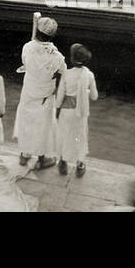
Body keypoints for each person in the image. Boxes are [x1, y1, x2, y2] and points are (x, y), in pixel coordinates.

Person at [15, 15, 65, 169]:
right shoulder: (57, 57)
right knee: (43, 127)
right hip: (45, 95)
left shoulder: (27, 47)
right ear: (53, 35)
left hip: (29, 90)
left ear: (37, 31)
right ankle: (41, 158)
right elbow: (63, 73)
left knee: (26, 123)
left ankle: (24, 155)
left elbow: (26, 62)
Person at [54, 42, 97, 177]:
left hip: (66, 111)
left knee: (64, 136)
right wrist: (85, 91)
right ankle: (80, 164)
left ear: (71, 59)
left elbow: (60, 96)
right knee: (80, 137)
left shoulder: (67, 74)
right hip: (81, 112)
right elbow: (94, 96)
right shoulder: (89, 75)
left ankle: (63, 162)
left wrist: (56, 109)